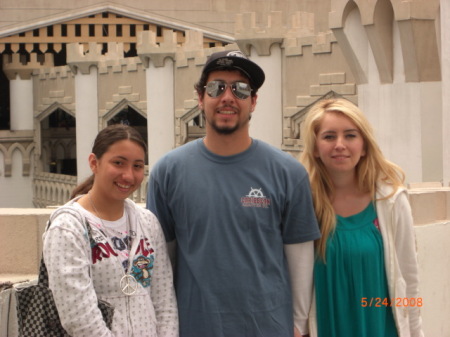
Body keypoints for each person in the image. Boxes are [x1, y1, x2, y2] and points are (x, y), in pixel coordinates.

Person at [146, 50, 320, 337]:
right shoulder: (168, 172)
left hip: (269, 328)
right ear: (200, 98)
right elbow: (162, 261)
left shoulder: (289, 173)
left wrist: (299, 325)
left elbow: (300, 256)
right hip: (193, 327)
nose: (227, 97)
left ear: (252, 101)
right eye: (216, 87)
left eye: (240, 89)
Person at [300, 98, 424, 337]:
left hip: (380, 326)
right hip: (326, 327)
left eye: (350, 135)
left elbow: (409, 281)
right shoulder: (303, 203)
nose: (340, 145)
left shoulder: (391, 201)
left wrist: (416, 332)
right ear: (315, 147)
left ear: (364, 145)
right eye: (328, 136)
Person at [43, 124, 179, 337]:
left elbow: (164, 301)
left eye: (137, 166)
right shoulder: (69, 227)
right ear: (94, 163)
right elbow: (78, 317)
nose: (128, 175)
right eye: (118, 163)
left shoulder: (147, 222)